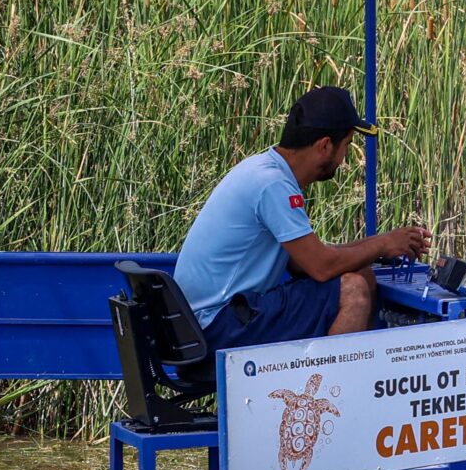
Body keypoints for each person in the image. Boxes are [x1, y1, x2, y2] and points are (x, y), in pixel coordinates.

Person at [174, 86, 430, 351]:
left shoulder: (261, 169)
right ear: (325, 146)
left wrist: (380, 245)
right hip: (216, 327)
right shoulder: (273, 185)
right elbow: (322, 267)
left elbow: (302, 264)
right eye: (347, 146)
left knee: (360, 274)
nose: (344, 159)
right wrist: (382, 244)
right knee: (352, 289)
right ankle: (331, 391)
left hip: (195, 328)